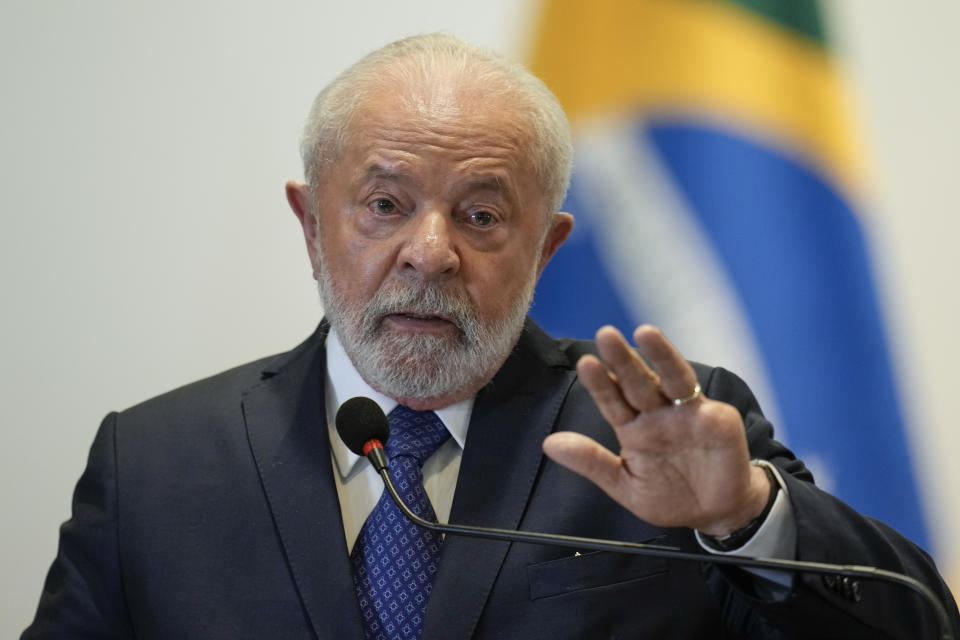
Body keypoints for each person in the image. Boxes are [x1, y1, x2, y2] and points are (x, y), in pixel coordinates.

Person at [23, 34, 958, 640]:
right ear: (311, 224)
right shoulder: (152, 466)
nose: (430, 254)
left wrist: (746, 517)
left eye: (480, 216)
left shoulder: (658, 438)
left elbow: (922, 628)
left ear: (547, 247)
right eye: (385, 205)